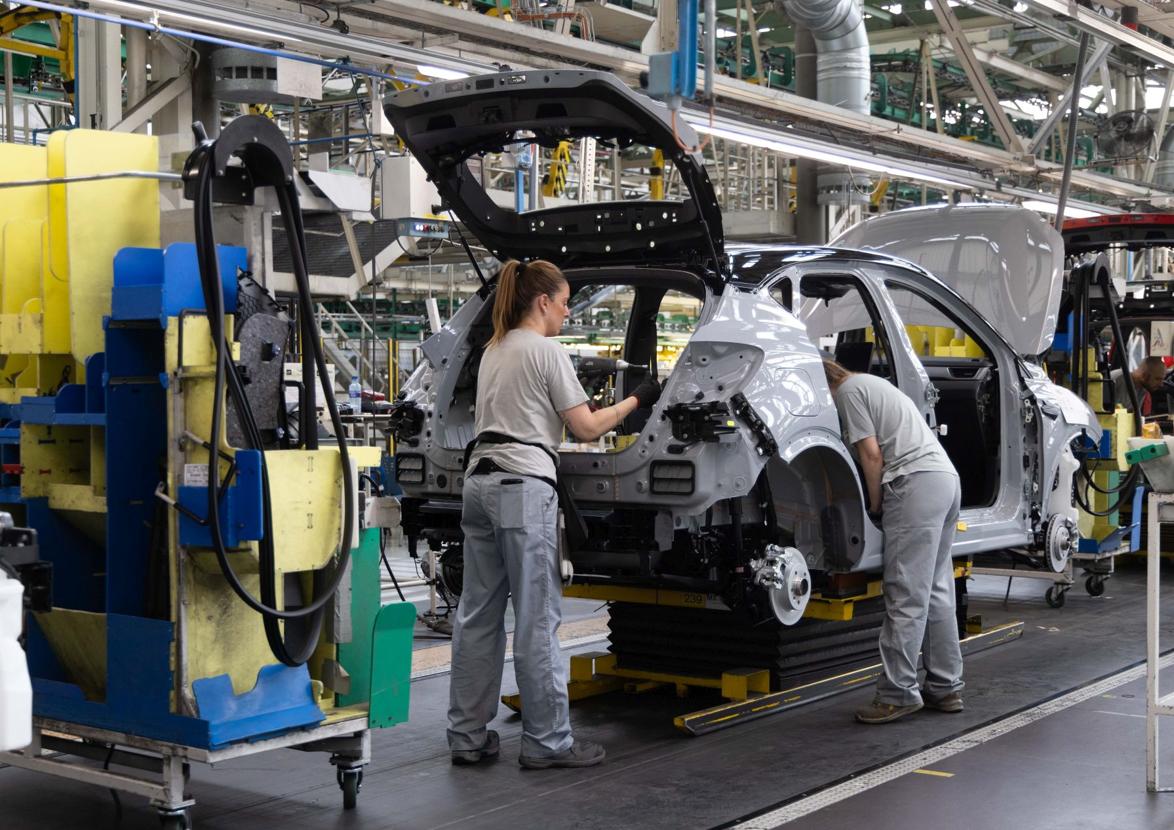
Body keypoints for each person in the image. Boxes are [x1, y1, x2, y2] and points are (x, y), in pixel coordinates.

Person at [448, 259, 661, 769]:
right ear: (542, 302)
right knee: (537, 619)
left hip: (478, 481)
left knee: (477, 616)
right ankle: (548, 743)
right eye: (565, 303)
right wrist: (637, 399)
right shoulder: (545, 351)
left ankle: (467, 738)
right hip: (522, 486)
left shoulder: (493, 349)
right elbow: (586, 429)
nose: (567, 313)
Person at [822, 358, 964, 725]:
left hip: (913, 484)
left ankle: (896, 694)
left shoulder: (849, 394)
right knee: (935, 589)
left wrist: (874, 506)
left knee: (905, 593)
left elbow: (871, 454)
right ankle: (945, 687)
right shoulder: (870, 384)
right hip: (944, 479)